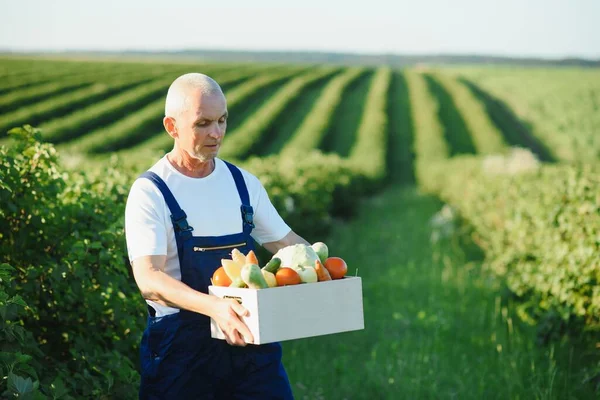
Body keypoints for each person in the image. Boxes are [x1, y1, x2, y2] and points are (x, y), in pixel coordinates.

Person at [125, 72, 309, 399]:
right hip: (181, 355)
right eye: (203, 123)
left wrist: (327, 273)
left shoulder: (242, 184)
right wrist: (214, 307)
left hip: (250, 344)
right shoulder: (152, 192)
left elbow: (287, 244)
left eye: (222, 120)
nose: (216, 133)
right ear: (172, 127)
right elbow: (149, 279)